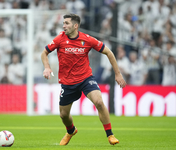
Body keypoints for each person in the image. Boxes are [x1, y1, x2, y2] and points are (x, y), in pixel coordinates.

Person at [41, 14, 126, 146]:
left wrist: (118, 74)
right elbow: (44, 53)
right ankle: (71, 131)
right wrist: (47, 67)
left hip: (85, 78)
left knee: (99, 101)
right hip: (67, 83)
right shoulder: (59, 39)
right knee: (63, 115)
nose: (64, 26)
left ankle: (110, 135)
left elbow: (109, 52)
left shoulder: (87, 39)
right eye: (63, 23)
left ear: (75, 26)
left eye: (67, 23)